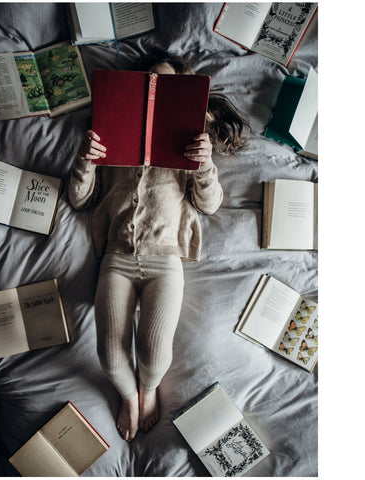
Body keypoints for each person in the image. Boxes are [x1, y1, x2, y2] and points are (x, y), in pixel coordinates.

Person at [68, 51, 250, 442]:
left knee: (152, 352)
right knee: (109, 354)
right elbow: (80, 199)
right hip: (116, 258)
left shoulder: (189, 142)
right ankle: (131, 396)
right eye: (149, 82)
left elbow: (210, 203)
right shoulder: (113, 136)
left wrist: (204, 163)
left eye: (166, 85)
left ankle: (148, 389)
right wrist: (85, 161)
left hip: (166, 260)